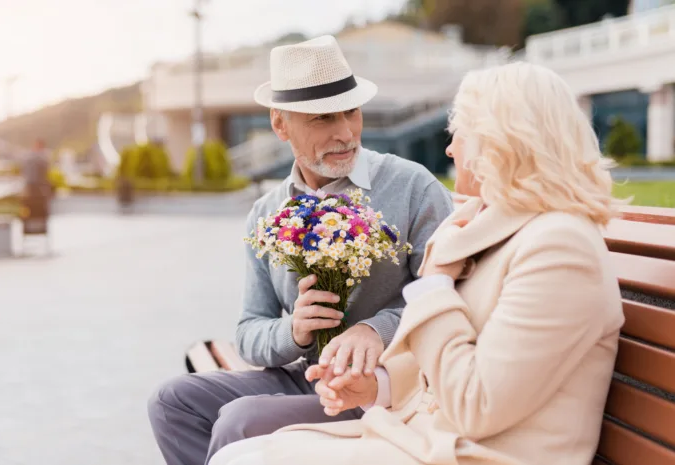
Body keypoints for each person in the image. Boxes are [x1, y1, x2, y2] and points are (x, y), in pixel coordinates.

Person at [209, 61, 627, 465]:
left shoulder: (558, 248)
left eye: (459, 132)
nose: (449, 147)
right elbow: (460, 358)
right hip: (426, 432)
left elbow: (474, 401)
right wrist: (377, 386)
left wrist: (431, 286)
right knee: (226, 444)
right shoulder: (499, 229)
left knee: (238, 449)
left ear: (498, 143)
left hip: (469, 451)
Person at [147, 35, 454, 465]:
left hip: (382, 386)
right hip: (302, 376)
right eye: (323, 119)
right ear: (280, 124)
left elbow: (449, 296)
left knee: (239, 421)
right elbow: (249, 332)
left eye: (351, 111)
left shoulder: (413, 186)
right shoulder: (265, 214)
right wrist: (294, 330)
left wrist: (376, 329)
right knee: (171, 402)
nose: (345, 133)